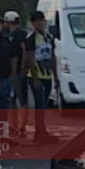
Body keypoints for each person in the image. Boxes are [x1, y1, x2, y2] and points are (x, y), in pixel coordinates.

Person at [22, 10, 56, 142]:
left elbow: (52, 56)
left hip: (47, 76)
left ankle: (42, 131)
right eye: (37, 21)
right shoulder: (31, 38)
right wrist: (35, 78)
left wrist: (55, 76)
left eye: (42, 21)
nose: (40, 24)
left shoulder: (49, 37)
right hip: (36, 76)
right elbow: (29, 58)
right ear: (32, 23)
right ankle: (39, 133)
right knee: (39, 104)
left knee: (44, 105)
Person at [3, 10, 29, 131]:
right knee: (12, 98)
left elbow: (24, 50)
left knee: (21, 97)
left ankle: (21, 125)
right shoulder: (11, 35)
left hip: (18, 70)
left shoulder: (20, 35)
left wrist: (23, 67)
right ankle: (13, 124)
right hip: (11, 70)